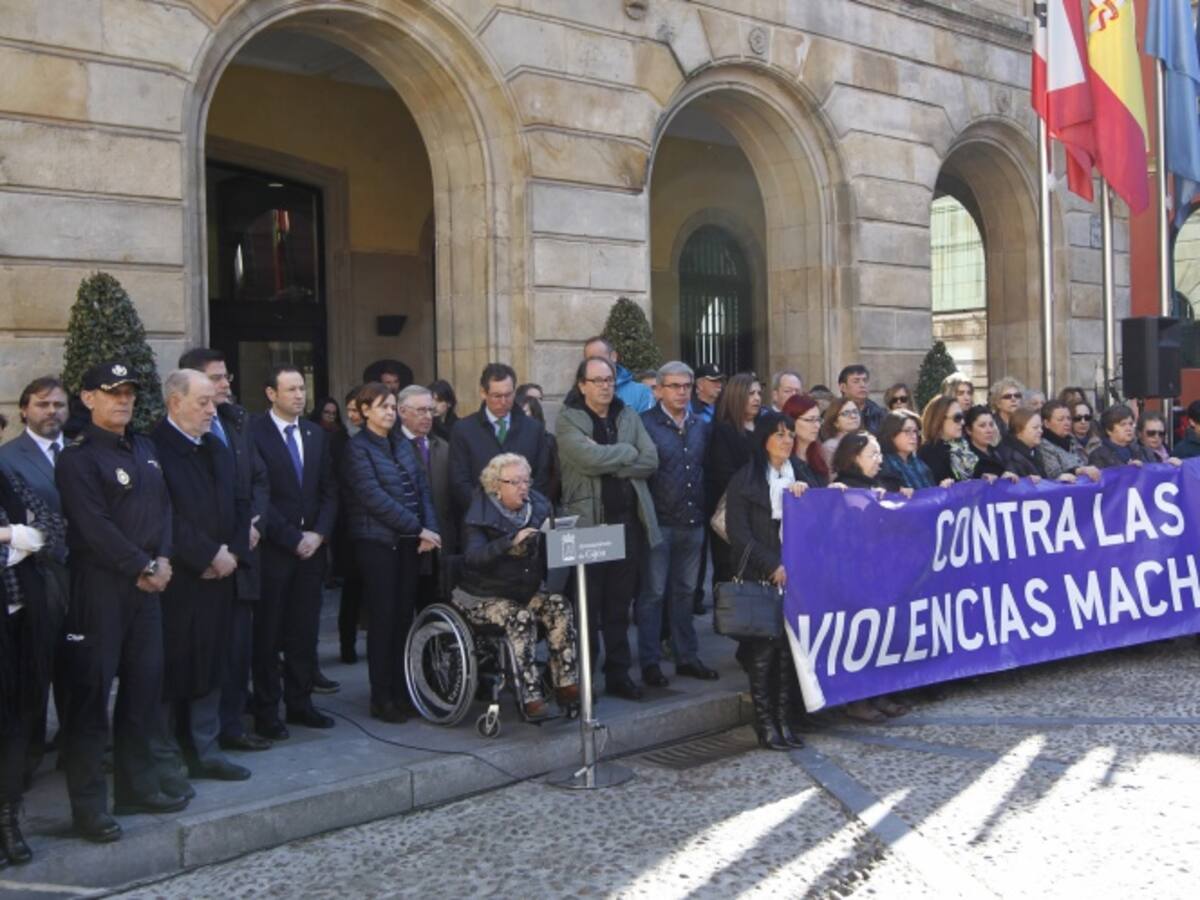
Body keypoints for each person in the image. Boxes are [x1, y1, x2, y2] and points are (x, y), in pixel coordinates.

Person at [57, 362, 181, 843]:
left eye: (129, 392)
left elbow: (165, 508)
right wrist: (143, 566)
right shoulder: (78, 459)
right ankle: (89, 808)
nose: (124, 400)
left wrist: (164, 558)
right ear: (88, 399)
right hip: (100, 589)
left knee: (143, 692)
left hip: (148, 586)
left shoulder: (145, 447)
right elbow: (94, 527)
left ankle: (137, 787)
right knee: (90, 701)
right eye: (113, 393)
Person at [150, 371, 252, 790]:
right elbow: (162, 514)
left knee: (214, 663)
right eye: (203, 402)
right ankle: (169, 758)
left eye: (213, 401)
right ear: (175, 403)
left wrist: (232, 553)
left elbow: (240, 501)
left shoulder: (216, 446)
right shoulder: (153, 448)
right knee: (173, 669)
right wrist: (207, 554)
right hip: (179, 580)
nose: (213, 410)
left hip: (221, 574)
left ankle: (206, 751)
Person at [177, 348, 272, 755]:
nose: (226, 384)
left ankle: (233, 727)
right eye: (217, 378)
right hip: (203, 565)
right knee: (202, 657)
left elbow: (258, 479)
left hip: (242, 557)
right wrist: (223, 544)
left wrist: (253, 524)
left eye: (226, 376)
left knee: (237, 651)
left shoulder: (237, 424)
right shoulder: (174, 437)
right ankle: (198, 738)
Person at [557, 355, 660, 701]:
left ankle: (618, 674)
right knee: (586, 608)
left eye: (609, 380)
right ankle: (584, 677)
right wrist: (625, 453)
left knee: (618, 607)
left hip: (626, 524)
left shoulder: (628, 415)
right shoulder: (568, 419)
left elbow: (650, 459)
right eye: (597, 380)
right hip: (587, 526)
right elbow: (583, 459)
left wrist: (611, 457)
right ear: (582, 385)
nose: (605, 386)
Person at [248, 365, 339, 739]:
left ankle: (301, 703)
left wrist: (318, 534)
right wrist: (290, 537)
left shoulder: (315, 434)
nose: (300, 395)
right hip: (274, 550)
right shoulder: (253, 432)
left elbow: (330, 490)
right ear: (271, 393)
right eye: (291, 389)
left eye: (302, 388)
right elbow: (257, 493)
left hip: (311, 551)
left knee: (304, 631)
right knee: (268, 634)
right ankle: (268, 710)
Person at [453, 454, 578, 719]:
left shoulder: (540, 507)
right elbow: (473, 558)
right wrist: (510, 542)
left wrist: (558, 535)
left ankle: (565, 682)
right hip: (483, 595)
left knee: (559, 605)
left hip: (524, 590)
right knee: (518, 617)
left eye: (526, 480)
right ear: (496, 485)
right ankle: (530, 694)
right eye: (515, 482)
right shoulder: (479, 514)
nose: (523, 487)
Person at [343, 384, 440, 723]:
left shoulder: (401, 444)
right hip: (377, 544)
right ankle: (381, 695)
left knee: (403, 618)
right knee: (383, 619)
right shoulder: (356, 449)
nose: (388, 412)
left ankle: (402, 690)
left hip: (410, 544)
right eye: (381, 406)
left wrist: (430, 528)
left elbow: (422, 489)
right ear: (365, 410)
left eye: (391, 406)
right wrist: (419, 528)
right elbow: (373, 497)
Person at [723, 411, 811, 750]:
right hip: (761, 574)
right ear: (764, 440)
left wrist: (805, 495)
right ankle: (766, 724)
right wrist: (772, 564)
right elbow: (739, 534)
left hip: (796, 573)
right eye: (779, 434)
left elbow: (820, 513)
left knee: (788, 652)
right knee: (763, 653)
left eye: (790, 434)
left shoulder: (800, 473)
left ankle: (785, 718)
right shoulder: (744, 480)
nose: (787, 440)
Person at [0, 377, 70, 775]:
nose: (52, 412)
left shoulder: (77, 450)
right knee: (34, 670)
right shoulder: (8, 458)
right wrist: (21, 533)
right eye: (43, 405)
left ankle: (69, 744)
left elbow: (45, 520)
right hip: (35, 578)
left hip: (81, 572)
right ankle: (26, 759)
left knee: (75, 665)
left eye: (59, 405)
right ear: (25, 409)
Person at [637, 362, 718, 689]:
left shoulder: (700, 425)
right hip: (658, 524)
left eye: (686, 386)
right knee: (653, 594)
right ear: (658, 389)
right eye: (673, 386)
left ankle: (687, 656)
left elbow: (705, 468)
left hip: (692, 520)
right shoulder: (645, 425)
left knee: (685, 592)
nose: (681, 392)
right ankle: (650, 661)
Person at [0, 469, 61, 864]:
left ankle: (8, 819)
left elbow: (53, 531)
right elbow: (34, 538)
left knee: (19, 720)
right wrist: (24, 539)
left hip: (24, 618)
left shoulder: (9, 480)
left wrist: (7, 536)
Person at [448, 363, 553, 521]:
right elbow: (459, 481)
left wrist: (524, 510)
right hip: (481, 522)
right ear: (483, 393)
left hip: (525, 519)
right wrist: (485, 513)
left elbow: (541, 476)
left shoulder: (533, 429)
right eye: (497, 396)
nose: (503, 401)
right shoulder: (464, 430)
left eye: (508, 395)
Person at [397, 384, 456, 607]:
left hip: (441, 543)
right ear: (402, 411)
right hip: (407, 544)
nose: (427, 416)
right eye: (420, 410)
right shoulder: (392, 447)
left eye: (430, 410)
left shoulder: (443, 447)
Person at [705, 373, 762, 583]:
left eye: (758, 393)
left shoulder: (765, 428)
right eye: (750, 394)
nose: (756, 398)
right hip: (733, 514)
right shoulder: (722, 431)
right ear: (737, 396)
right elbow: (724, 475)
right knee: (729, 574)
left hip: (762, 516)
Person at [333, 386, 364, 664]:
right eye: (350, 410)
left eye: (358, 410)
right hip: (348, 527)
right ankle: (347, 644)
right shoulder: (336, 440)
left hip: (374, 528)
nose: (353, 416)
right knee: (352, 590)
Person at [582, 335, 654, 413]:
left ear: (614, 356)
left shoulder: (641, 392)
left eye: (600, 358)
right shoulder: (579, 393)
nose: (596, 364)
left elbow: (647, 424)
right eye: (591, 360)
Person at [917, 395, 978, 483]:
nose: (962, 422)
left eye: (962, 416)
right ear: (940, 420)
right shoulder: (928, 452)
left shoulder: (965, 446)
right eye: (957, 418)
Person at [1088, 405, 1171, 469]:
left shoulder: (1144, 451)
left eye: (1131, 424)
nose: (1129, 428)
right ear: (1109, 430)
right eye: (1123, 424)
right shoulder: (1098, 456)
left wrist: (1170, 466)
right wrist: (1127, 471)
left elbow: (1156, 474)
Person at [1037, 400, 1100, 482]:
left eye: (1069, 418)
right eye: (1061, 419)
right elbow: (1054, 475)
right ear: (1046, 423)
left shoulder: (1072, 441)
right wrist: (1078, 471)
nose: (1067, 423)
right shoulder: (1043, 445)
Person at [878, 411, 937, 490]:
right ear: (892, 434)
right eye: (907, 431)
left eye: (915, 431)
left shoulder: (919, 463)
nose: (914, 436)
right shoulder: (883, 466)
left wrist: (942, 488)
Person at [781, 394, 830, 486]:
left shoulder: (817, 457)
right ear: (792, 421)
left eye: (818, 420)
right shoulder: (784, 460)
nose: (817, 426)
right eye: (810, 420)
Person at [964, 405, 1014, 479]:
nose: (989, 430)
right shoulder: (965, 459)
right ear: (969, 430)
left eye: (991, 425)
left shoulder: (998, 452)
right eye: (982, 426)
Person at [837, 364, 886, 434]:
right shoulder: (834, 412)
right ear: (843, 387)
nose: (862, 385)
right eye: (856, 381)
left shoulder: (879, 414)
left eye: (865, 381)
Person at [819, 397, 861, 468]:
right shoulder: (831, 447)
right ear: (835, 422)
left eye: (855, 411)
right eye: (846, 413)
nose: (853, 416)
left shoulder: (864, 440)